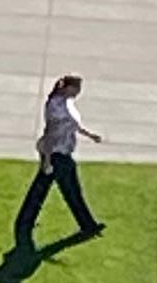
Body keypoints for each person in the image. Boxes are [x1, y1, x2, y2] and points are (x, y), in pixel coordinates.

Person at [13, 75, 103, 250]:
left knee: (40, 191)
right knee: (71, 191)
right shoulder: (55, 107)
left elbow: (72, 125)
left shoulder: (66, 103)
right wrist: (47, 160)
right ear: (67, 88)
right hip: (56, 155)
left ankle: (25, 222)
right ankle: (88, 225)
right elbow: (51, 134)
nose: (78, 92)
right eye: (76, 88)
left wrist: (90, 135)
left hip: (62, 154)